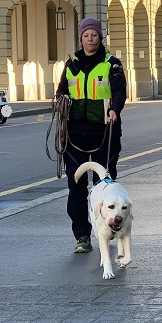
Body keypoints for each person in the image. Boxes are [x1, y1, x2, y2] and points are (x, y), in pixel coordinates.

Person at [55, 17, 128, 253]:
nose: (90, 39)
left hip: (104, 132)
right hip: (74, 133)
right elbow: (61, 90)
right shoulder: (71, 64)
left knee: (104, 185)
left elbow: (119, 91)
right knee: (76, 185)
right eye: (86, 35)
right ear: (81, 38)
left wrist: (114, 110)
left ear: (100, 37)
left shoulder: (112, 64)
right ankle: (82, 236)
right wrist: (62, 99)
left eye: (94, 35)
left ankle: (107, 231)